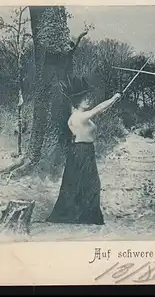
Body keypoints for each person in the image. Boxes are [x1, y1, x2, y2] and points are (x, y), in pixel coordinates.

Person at [46, 75, 122, 225]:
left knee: (86, 185)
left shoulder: (83, 116)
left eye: (88, 97)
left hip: (86, 151)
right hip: (80, 152)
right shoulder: (77, 117)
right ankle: (84, 217)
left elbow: (100, 110)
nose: (88, 99)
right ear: (76, 101)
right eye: (84, 98)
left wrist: (113, 102)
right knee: (88, 185)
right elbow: (98, 109)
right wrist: (114, 97)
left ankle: (85, 216)